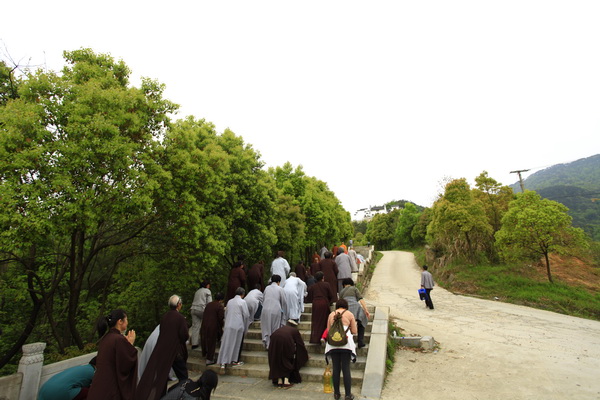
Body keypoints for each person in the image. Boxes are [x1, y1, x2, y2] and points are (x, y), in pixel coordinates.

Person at [136, 295, 189, 400]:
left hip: (161, 349)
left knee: (161, 376)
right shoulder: (180, 318)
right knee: (183, 376)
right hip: (174, 351)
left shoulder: (165, 316)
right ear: (179, 305)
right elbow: (184, 336)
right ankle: (181, 396)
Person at [88, 309, 137, 400]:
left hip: (99, 387)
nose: (127, 322)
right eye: (126, 320)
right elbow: (126, 364)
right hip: (110, 389)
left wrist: (127, 346)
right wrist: (130, 345)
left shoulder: (106, 338)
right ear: (120, 321)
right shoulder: (118, 339)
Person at [325, 299, 358, 400]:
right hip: (346, 343)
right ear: (346, 306)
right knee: (346, 368)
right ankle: (348, 395)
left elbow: (328, 330)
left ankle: (336, 393)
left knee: (336, 368)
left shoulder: (331, 314)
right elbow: (354, 331)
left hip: (333, 344)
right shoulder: (349, 314)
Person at [217, 287, 250, 374]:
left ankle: (223, 362)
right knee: (236, 344)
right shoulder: (242, 302)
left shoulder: (230, 301)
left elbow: (226, 313)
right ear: (242, 294)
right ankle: (234, 360)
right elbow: (246, 315)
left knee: (226, 343)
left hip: (228, 324)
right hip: (238, 325)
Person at [339, 278, 370, 348]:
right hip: (356, 309)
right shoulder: (354, 289)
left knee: (347, 325)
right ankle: (360, 341)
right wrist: (366, 310)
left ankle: (348, 341)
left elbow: (339, 303)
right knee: (362, 322)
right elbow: (360, 299)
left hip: (345, 309)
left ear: (344, 285)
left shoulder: (341, 292)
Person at [306, 271, 335, 344]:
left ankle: (315, 338)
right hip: (324, 303)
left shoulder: (313, 286)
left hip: (315, 303)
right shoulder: (326, 284)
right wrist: (330, 302)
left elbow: (309, 297)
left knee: (316, 321)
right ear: (323, 278)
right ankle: (324, 337)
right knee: (325, 321)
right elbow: (331, 295)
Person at [260, 274, 287, 349]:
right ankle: (273, 345)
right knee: (275, 328)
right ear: (278, 282)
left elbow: (263, 298)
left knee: (266, 327)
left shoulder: (267, 288)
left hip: (265, 309)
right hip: (275, 310)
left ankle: (267, 343)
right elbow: (284, 302)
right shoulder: (280, 289)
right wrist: (284, 312)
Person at [201, 293, 225, 366]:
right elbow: (220, 318)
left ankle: (205, 354)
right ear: (221, 300)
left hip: (204, 325)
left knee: (205, 341)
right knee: (212, 342)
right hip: (213, 326)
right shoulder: (219, 306)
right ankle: (209, 359)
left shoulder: (209, 305)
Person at [191, 280, 212, 349]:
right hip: (201, 309)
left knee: (195, 326)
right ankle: (206, 341)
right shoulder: (207, 291)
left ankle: (194, 343)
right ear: (207, 285)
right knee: (206, 324)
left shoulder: (197, 291)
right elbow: (209, 303)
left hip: (193, 309)